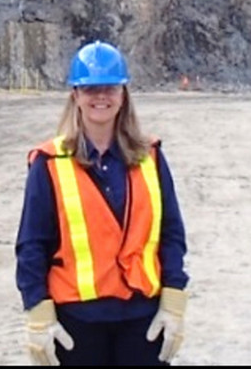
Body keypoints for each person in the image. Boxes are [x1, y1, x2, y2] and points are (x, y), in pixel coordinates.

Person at [15, 40, 190, 366]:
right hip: (77, 323)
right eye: (90, 88)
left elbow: (171, 233)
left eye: (109, 88)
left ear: (123, 95)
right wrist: (38, 312)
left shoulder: (150, 156)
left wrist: (174, 300)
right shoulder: (49, 163)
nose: (100, 96)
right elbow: (32, 245)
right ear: (75, 96)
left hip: (143, 319)